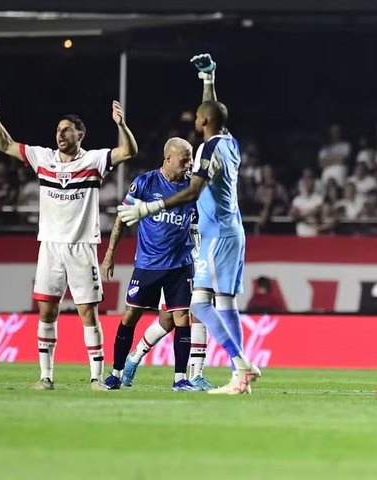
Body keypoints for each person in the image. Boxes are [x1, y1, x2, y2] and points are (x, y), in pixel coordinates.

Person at [117, 53, 260, 395]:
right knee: (214, 304)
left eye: (198, 115)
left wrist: (147, 209)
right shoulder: (229, 142)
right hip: (227, 232)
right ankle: (238, 373)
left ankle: (239, 366)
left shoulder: (207, 153)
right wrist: (208, 79)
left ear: (203, 122)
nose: (195, 116)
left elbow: (193, 190)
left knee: (204, 306)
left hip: (216, 237)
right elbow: (214, 115)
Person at [0, 88, 138, 391]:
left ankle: (95, 378)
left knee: (87, 312)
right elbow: (6, 144)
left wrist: (121, 125)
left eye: (67, 130)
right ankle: (46, 377)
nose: (60, 134)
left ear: (81, 134)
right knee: (47, 310)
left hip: (81, 247)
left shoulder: (93, 161)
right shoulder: (43, 158)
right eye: (58, 130)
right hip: (50, 246)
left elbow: (128, 151)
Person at [101, 137, 210, 391]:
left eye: (191, 160)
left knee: (182, 317)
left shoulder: (191, 190)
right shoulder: (145, 183)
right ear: (168, 159)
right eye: (184, 160)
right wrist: (109, 253)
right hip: (148, 264)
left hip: (180, 264)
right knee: (131, 315)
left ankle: (180, 379)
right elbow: (122, 218)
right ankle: (117, 373)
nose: (188, 165)